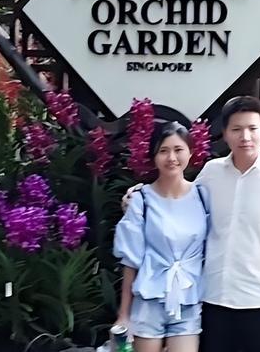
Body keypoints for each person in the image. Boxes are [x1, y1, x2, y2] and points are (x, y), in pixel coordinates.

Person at [124, 96, 260, 352]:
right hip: (211, 299)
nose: (245, 137)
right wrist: (140, 200)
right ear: (225, 133)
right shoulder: (211, 173)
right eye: (236, 129)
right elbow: (180, 206)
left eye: (252, 128)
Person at [113, 121, 210, 352]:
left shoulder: (203, 196)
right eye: (164, 151)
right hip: (149, 300)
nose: (171, 158)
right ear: (154, 156)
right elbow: (131, 261)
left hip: (189, 299)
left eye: (178, 150)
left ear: (190, 152)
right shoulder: (142, 200)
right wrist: (123, 315)